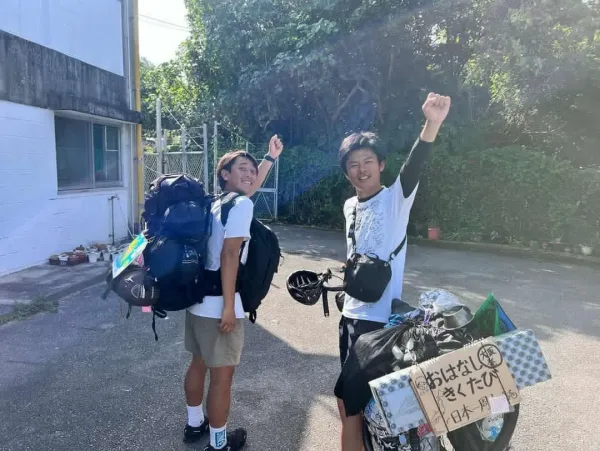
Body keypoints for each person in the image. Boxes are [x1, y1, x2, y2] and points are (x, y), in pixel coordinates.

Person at [334, 93, 451, 450]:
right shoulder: (349, 205)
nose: (361, 169)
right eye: (353, 164)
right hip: (350, 317)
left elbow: (415, 164)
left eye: (368, 161)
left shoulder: (396, 199)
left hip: (380, 324)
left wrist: (432, 123)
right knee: (355, 405)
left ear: (381, 164)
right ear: (346, 170)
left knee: (353, 402)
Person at [183, 136, 284, 450]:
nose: (251, 174)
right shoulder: (240, 205)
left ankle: (193, 424)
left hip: (197, 302)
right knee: (222, 378)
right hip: (219, 305)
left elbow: (248, 187)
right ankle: (218, 444)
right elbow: (230, 254)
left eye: (252, 170)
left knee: (198, 363)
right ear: (224, 173)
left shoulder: (217, 203)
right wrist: (230, 306)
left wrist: (269, 157)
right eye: (243, 168)